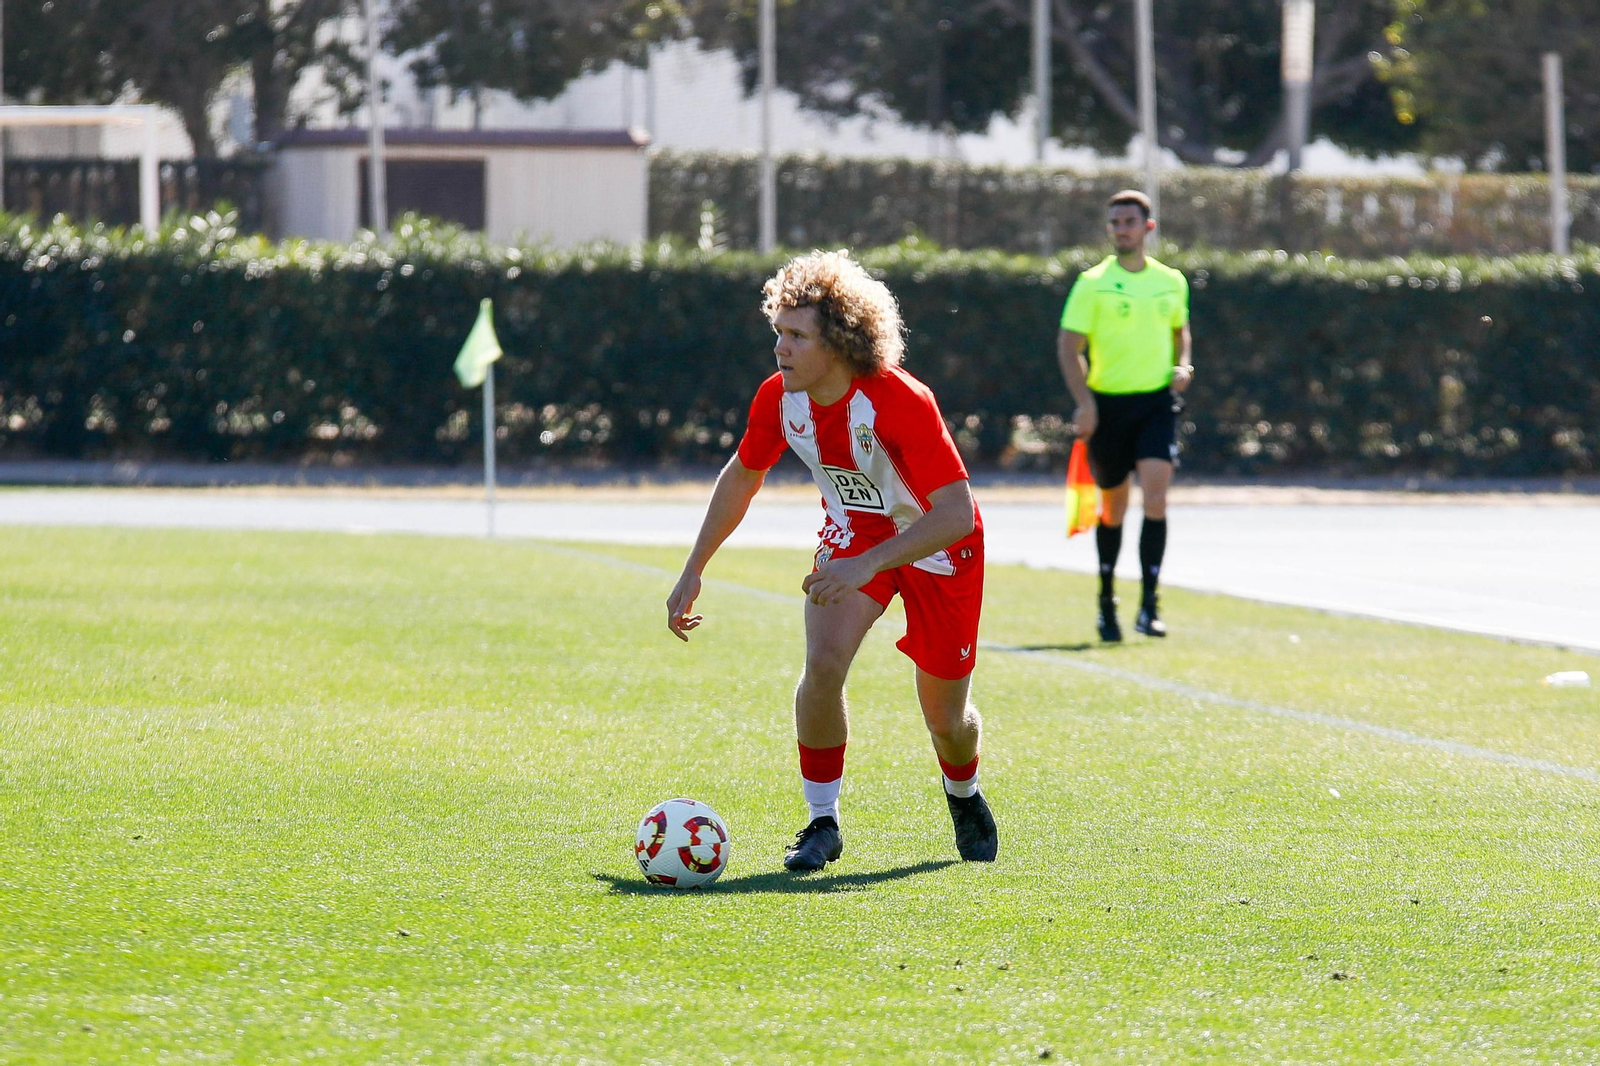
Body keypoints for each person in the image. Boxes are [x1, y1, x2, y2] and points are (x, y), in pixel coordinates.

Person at [666, 249, 997, 872]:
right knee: (821, 665)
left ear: (841, 341)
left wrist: (870, 564)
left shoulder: (901, 400)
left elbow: (956, 513)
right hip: (853, 538)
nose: (780, 348)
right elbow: (743, 476)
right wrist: (694, 567)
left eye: (797, 336)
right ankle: (823, 822)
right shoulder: (779, 399)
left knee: (947, 720)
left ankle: (963, 792)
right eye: (778, 332)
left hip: (940, 548)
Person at [1058, 189, 1193, 642]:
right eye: (1115, 222)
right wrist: (1086, 403)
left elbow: (1180, 332)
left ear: (1148, 227)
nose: (1121, 229)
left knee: (1156, 499)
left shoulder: (1172, 281)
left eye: (1129, 222)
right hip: (1108, 408)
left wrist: (1183, 365)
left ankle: (1150, 605)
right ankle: (1106, 603)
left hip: (1156, 405)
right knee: (1112, 510)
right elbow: (1068, 347)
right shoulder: (1092, 282)